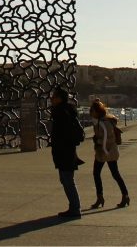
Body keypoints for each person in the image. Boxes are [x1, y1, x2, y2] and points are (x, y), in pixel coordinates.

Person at [88, 99, 130, 209]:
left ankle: (102, 197)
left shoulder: (103, 123)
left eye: (92, 111)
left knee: (104, 174)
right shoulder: (100, 121)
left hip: (106, 151)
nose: (91, 114)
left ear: (96, 112)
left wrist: (98, 141)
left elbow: (108, 139)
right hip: (105, 151)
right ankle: (123, 196)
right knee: (113, 174)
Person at [49, 86, 84, 220]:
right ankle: (74, 207)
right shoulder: (65, 112)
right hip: (66, 151)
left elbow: (64, 134)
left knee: (67, 180)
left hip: (65, 151)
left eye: (54, 97)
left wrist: (62, 145)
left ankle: (75, 209)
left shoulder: (62, 113)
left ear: (60, 98)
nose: (52, 99)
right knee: (66, 179)